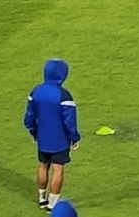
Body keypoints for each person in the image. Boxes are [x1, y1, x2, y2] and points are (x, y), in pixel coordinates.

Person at [24, 57, 80, 211]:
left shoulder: (35, 92)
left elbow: (29, 116)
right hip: (59, 139)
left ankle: (41, 198)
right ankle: (52, 204)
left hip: (42, 137)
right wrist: (75, 137)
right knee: (58, 168)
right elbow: (69, 121)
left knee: (43, 165)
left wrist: (33, 132)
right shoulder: (63, 95)